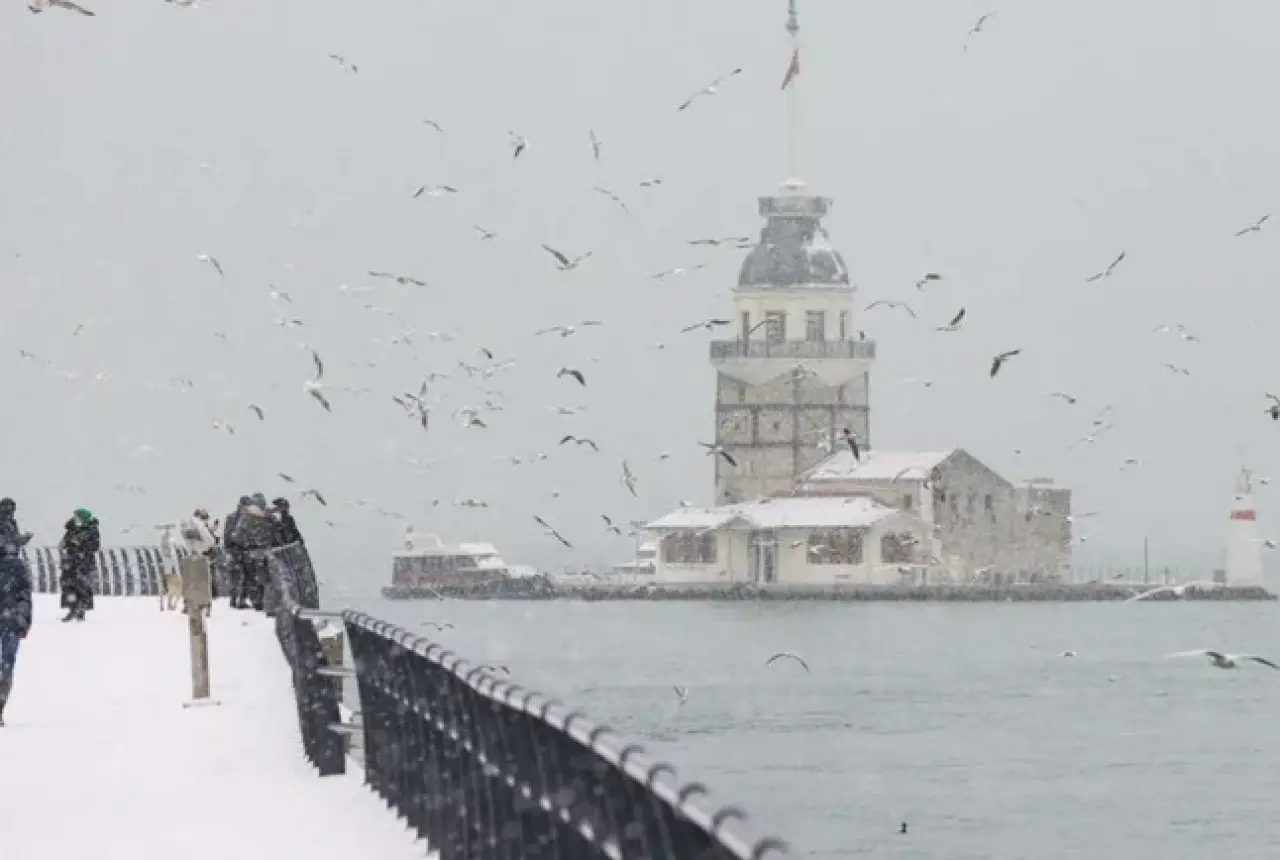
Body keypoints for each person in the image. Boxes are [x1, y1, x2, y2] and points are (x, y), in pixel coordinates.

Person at [0, 498, 33, 726]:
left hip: (10, 616)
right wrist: (24, 619)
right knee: (7, 663)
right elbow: (24, 595)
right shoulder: (18, 566)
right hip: (11, 617)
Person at [232, 493, 275, 611]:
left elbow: (237, 536)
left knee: (251, 578)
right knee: (263, 578)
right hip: (264, 551)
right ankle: (262, 602)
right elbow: (273, 533)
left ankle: (256, 600)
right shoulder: (267, 517)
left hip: (249, 552)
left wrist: (245, 544)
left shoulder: (245, 517)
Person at [60, 508, 100, 622]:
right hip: (70, 561)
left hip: (84, 562)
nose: (75, 519)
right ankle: (72, 608)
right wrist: (69, 543)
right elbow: (63, 543)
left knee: (83, 585)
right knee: (68, 585)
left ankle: (81, 608)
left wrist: (82, 546)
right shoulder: (71, 529)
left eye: (77, 517)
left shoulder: (92, 530)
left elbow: (95, 546)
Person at [224, 497, 250, 609]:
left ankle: (240, 599)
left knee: (244, 576)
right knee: (235, 575)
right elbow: (228, 535)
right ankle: (234, 599)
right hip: (236, 550)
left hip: (243, 551)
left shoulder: (243, 518)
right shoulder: (233, 518)